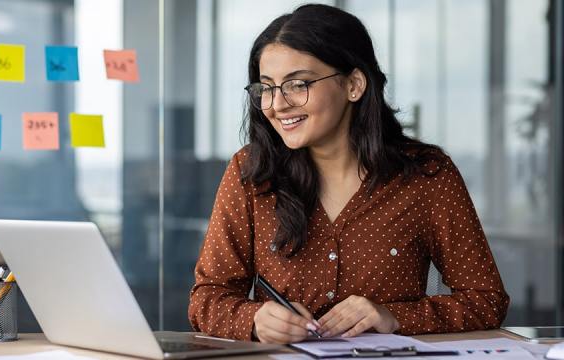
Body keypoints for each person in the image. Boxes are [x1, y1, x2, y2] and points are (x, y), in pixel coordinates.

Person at [188, 3, 509, 344]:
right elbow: (206, 299)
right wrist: (254, 320)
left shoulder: (428, 176)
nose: (277, 104)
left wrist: (394, 317)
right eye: (266, 87)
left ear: (354, 84)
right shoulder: (251, 172)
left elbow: (486, 300)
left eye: (298, 84)